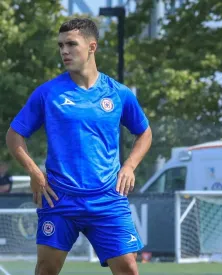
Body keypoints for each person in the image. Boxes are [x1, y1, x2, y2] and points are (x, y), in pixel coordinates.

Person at [5, 18, 152, 275]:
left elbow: (145, 133)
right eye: (61, 45)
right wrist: (35, 173)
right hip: (60, 198)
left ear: (92, 47)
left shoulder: (118, 93)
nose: (64, 51)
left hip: (108, 198)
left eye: (71, 44)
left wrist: (130, 165)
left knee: (128, 269)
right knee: (46, 270)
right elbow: (14, 135)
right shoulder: (47, 93)